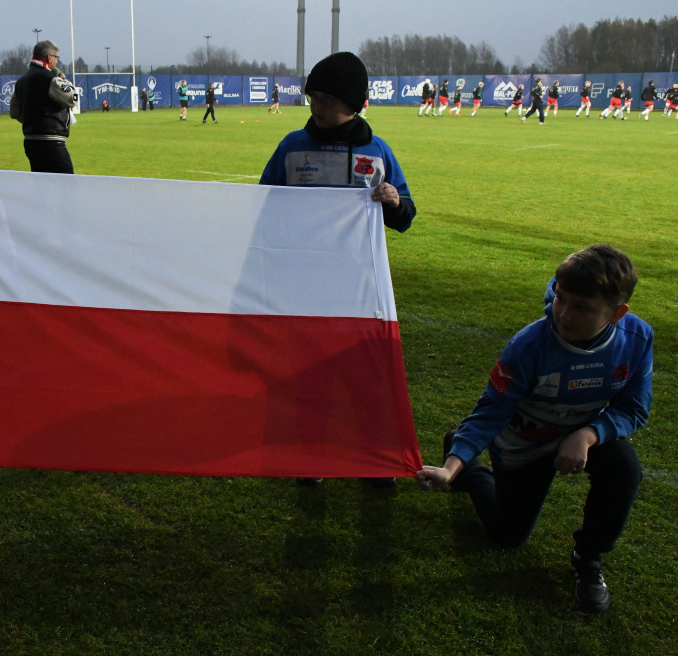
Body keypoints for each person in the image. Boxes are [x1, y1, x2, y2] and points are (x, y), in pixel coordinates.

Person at [416, 244, 652, 614]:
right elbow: (492, 412)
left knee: (624, 468)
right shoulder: (530, 344)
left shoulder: (636, 339)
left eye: (582, 307)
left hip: (583, 435)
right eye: (561, 299)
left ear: (617, 313)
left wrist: (587, 435)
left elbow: (634, 407)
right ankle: (469, 467)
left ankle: (588, 559)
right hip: (524, 442)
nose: (564, 314)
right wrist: (452, 465)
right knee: (507, 536)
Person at [259, 52, 417, 489]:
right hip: (305, 288)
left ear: (355, 103)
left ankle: (374, 459)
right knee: (313, 378)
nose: (318, 108)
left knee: (367, 376)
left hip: (360, 286)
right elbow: (262, 208)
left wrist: (392, 201)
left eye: (328, 100)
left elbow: (406, 215)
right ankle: (313, 457)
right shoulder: (292, 146)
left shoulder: (377, 150)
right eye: (314, 98)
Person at [10, 40, 80, 174]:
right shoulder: (51, 79)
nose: (57, 62)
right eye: (56, 58)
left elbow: (14, 112)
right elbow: (72, 98)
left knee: (41, 189)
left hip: (30, 142)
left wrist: (34, 120)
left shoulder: (21, 81)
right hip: (52, 143)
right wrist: (63, 79)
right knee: (67, 186)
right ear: (49, 58)